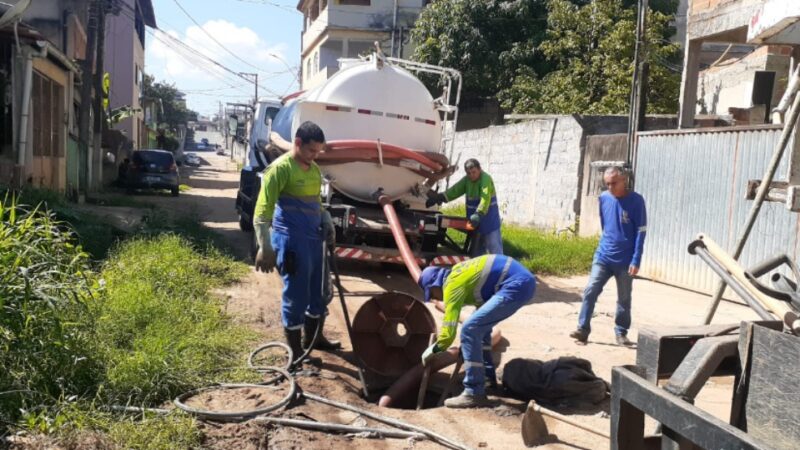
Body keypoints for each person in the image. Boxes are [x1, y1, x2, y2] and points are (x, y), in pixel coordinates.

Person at [253, 121, 340, 368]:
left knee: (319, 293)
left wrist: (326, 219)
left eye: (318, 152)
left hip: (314, 240)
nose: (315, 156)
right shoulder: (279, 170)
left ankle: (315, 338)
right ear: (298, 143)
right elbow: (262, 210)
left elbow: (316, 202)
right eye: (312, 150)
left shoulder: (313, 170)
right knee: (296, 295)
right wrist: (265, 245)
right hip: (291, 241)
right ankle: (294, 351)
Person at [418, 255, 536, 408]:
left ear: (435, 285)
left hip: (514, 285)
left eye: (432, 294)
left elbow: (448, 335)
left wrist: (433, 350)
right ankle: (487, 379)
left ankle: (474, 392)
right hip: (521, 282)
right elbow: (484, 297)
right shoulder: (460, 273)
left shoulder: (452, 286)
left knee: (470, 329)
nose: (436, 298)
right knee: (480, 329)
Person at [569, 166, 647, 346]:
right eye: (607, 184)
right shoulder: (604, 198)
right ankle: (583, 329)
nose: (610, 187)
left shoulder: (636, 201)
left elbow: (641, 232)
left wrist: (636, 259)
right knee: (590, 290)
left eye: (613, 183)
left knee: (624, 298)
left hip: (626, 261)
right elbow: (605, 225)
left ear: (624, 180)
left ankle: (621, 333)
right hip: (604, 256)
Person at [426, 158, 503, 256]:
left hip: (489, 221)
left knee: (495, 249)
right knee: (476, 253)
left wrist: (478, 213)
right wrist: (439, 198)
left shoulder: (486, 179)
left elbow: (485, 199)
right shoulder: (467, 180)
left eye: (474, 172)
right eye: (469, 173)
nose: (471, 175)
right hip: (475, 223)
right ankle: (479, 271)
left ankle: (502, 270)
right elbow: (454, 190)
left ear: (480, 169)